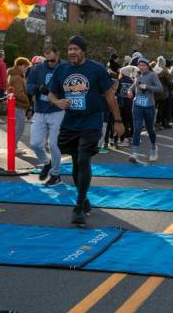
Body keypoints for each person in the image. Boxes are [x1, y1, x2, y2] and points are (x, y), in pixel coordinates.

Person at [48, 35, 124, 225]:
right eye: (70, 49)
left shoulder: (96, 69)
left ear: (83, 51)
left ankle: (79, 206)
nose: (72, 52)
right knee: (76, 164)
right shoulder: (62, 69)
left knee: (83, 158)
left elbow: (109, 95)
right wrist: (58, 102)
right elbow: (51, 92)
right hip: (70, 122)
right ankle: (85, 198)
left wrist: (117, 120)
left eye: (76, 49)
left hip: (91, 121)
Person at [27, 44, 65, 186]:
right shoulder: (37, 69)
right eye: (47, 60)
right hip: (40, 111)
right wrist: (38, 88)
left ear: (57, 54)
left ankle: (56, 175)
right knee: (35, 144)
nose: (49, 63)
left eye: (52, 60)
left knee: (54, 145)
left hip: (57, 111)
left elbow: (72, 88)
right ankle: (46, 162)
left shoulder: (65, 68)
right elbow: (29, 87)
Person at [127, 57, 163, 163]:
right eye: (140, 65)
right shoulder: (138, 74)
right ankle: (135, 153)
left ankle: (153, 149)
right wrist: (130, 90)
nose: (141, 67)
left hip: (149, 106)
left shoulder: (152, 75)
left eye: (143, 65)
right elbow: (135, 85)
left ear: (148, 66)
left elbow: (160, 88)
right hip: (137, 104)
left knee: (149, 129)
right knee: (137, 128)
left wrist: (147, 87)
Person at [7, 57, 31, 152]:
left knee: (16, 127)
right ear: (20, 66)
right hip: (18, 105)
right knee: (19, 127)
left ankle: (13, 147)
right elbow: (19, 93)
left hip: (15, 104)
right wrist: (27, 102)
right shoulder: (17, 77)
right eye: (25, 66)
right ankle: (13, 147)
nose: (26, 69)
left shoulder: (14, 75)